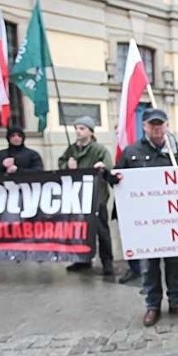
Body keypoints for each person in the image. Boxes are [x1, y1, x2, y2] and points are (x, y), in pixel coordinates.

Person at [118, 109, 178, 327]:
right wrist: (109, 175)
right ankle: (152, 305)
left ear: (167, 126)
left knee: (174, 263)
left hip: (173, 218)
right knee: (149, 265)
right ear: (144, 127)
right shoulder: (131, 151)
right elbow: (119, 178)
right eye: (152, 125)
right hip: (146, 221)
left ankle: (176, 301)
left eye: (160, 124)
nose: (157, 128)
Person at [57, 116, 115, 276]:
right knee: (81, 230)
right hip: (78, 196)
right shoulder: (72, 149)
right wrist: (67, 166)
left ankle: (107, 262)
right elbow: (61, 163)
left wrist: (102, 166)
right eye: (76, 128)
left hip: (97, 197)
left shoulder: (99, 149)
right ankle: (82, 259)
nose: (78, 131)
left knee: (101, 231)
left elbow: (109, 166)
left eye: (82, 128)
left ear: (90, 131)